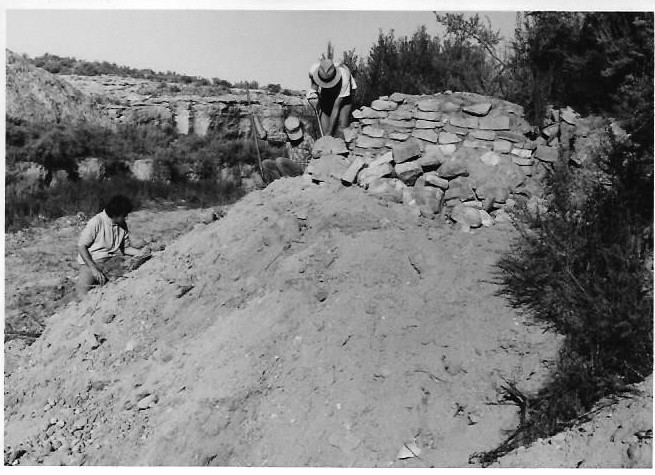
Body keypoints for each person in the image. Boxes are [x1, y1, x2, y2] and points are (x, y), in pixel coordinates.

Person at [76, 194, 148, 299]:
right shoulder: (96, 222)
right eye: (124, 215)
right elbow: (82, 247)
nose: (126, 217)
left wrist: (141, 253)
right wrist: (93, 269)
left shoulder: (122, 224)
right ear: (116, 214)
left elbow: (125, 248)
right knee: (82, 292)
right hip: (92, 262)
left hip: (111, 260)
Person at [307, 58, 357, 139]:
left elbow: (336, 107)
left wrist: (329, 132)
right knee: (324, 123)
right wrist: (312, 94)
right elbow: (314, 85)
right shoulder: (314, 70)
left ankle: (340, 146)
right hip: (327, 92)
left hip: (345, 96)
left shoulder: (344, 77)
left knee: (342, 126)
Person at [261, 116, 315, 182]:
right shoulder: (287, 137)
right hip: (290, 168)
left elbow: (315, 155)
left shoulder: (307, 138)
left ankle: (288, 182)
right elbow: (264, 135)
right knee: (266, 163)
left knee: (280, 161)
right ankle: (278, 182)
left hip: (302, 170)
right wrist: (255, 117)